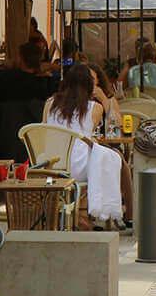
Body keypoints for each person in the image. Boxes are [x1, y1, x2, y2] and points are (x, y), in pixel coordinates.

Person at [40, 66, 126, 228]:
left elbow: (45, 130)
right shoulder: (95, 108)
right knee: (103, 160)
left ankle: (76, 214)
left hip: (50, 165)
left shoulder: (49, 104)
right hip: (78, 166)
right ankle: (85, 213)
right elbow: (91, 131)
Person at [0, 42, 60, 162]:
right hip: (35, 139)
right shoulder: (45, 82)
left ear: (21, 58)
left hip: (5, 138)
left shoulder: (5, 78)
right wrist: (49, 67)